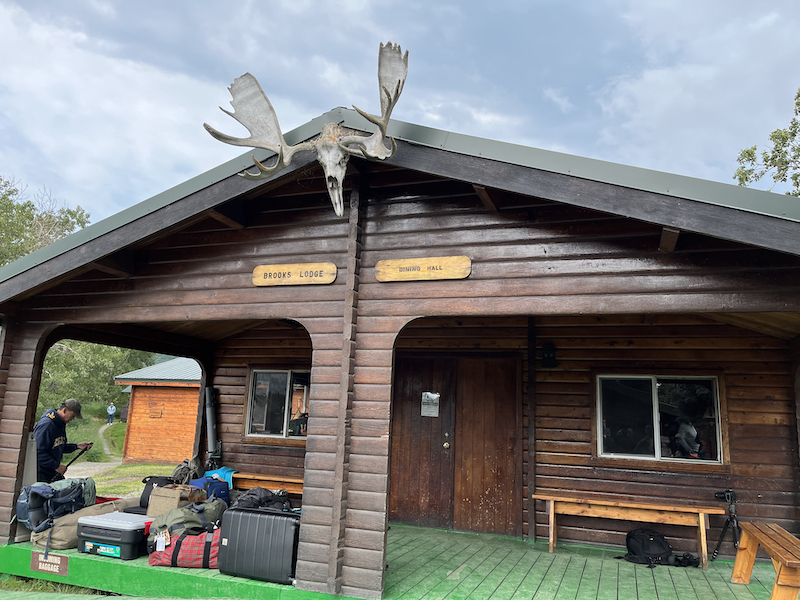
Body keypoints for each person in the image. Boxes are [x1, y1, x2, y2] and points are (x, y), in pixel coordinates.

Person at [34, 399, 93, 483]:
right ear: (65, 410)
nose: (73, 418)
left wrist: (76, 446)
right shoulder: (47, 425)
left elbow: (58, 445)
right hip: (41, 474)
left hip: (52, 473)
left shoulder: (60, 424)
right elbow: (37, 452)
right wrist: (56, 466)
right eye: (72, 415)